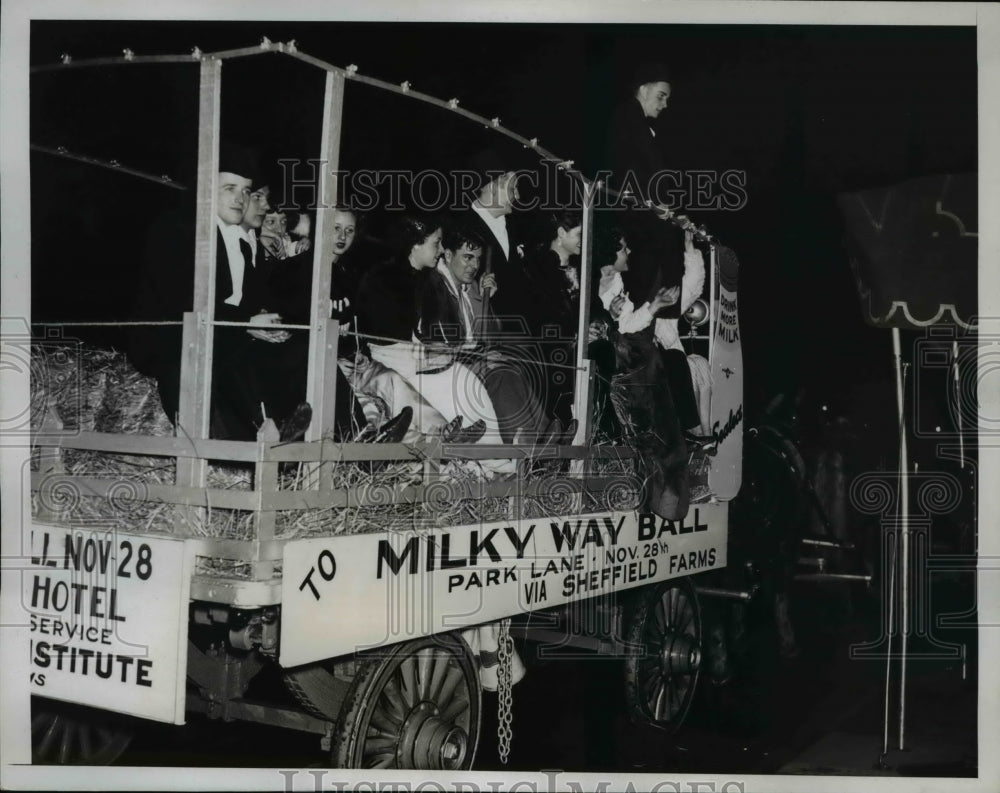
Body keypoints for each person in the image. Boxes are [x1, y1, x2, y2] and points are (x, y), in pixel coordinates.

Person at [355, 215, 515, 468]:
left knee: (466, 381)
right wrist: (429, 353)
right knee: (456, 385)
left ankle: (505, 464)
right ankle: (469, 457)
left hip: (418, 359)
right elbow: (385, 338)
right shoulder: (384, 278)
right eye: (437, 243)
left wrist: (437, 352)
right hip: (393, 361)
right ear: (415, 244)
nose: (440, 250)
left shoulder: (423, 279)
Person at [421, 222, 551, 444]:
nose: (474, 265)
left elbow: (489, 338)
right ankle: (527, 447)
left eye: (478, 259)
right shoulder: (436, 286)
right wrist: (482, 357)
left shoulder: (468, 287)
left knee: (514, 368)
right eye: (468, 257)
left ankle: (546, 437)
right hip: (442, 365)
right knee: (501, 376)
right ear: (449, 255)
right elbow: (442, 345)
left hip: (467, 361)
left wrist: (483, 300)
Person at [606, 62, 686, 320]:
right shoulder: (625, 118)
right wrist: (653, 202)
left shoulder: (641, 123)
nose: (664, 104)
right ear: (643, 88)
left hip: (646, 221)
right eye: (661, 96)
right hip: (635, 223)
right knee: (638, 291)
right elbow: (624, 172)